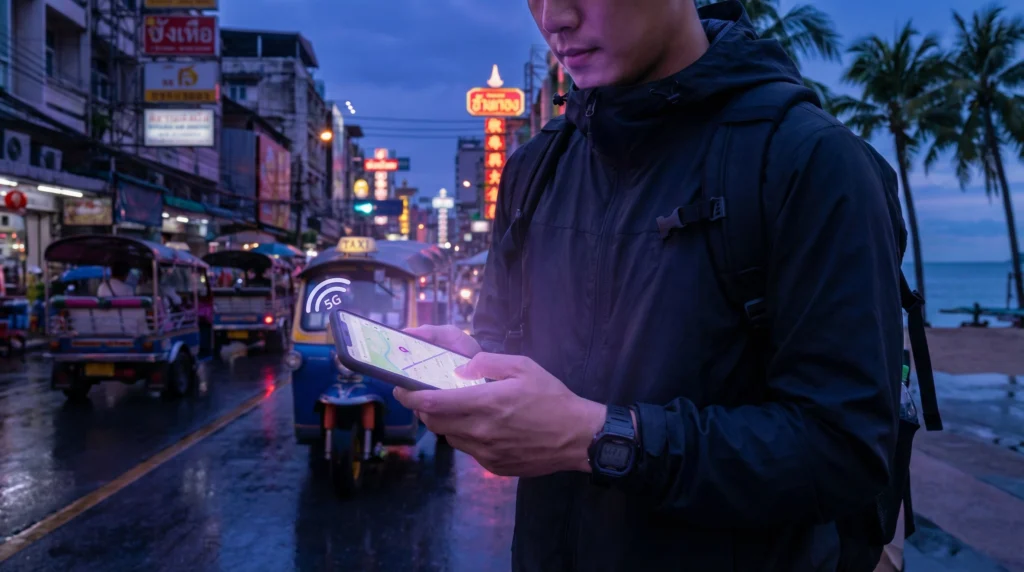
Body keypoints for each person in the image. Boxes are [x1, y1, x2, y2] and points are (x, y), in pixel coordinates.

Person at [394, 1, 912, 571]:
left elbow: (847, 451)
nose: (554, 18)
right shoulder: (535, 169)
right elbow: (508, 346)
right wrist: (473, 370)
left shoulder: (810, 161)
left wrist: (598, 438)